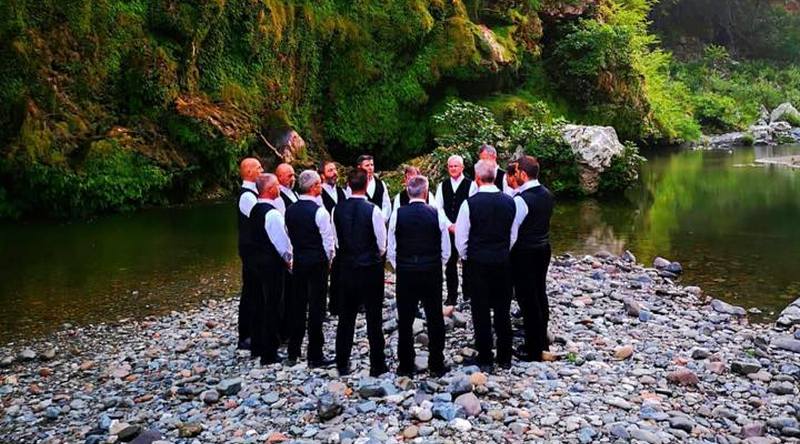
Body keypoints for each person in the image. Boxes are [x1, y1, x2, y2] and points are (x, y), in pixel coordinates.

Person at [455, 160, 521, 372]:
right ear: (495, 176)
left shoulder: (469, 204)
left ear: (477, 178)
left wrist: (467, 257)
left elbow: (461, 239)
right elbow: (513, 235)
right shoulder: (510, 202)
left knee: (480, 310)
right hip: (502, 261)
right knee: (502, 309)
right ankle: (504, 356)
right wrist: (502, 250)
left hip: (478, 262)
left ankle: (485, 357)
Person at [388, 175, 451, 377]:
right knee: (434, 317)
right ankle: (436, 363)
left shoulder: (398, 214)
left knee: (405, 319)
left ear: (408, 192)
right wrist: (437, 264)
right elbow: (446, 248)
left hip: (406, 271)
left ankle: (405, 365)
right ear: (425, 192)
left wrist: (400, 266)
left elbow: (391, 247)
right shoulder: (436, 213)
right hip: (431, 270)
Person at [332, 169, 388, 376]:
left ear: (348, 184)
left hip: (347, 266)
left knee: (346, 317)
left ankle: (342, 362)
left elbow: (337, 241)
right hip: (370, 268)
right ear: (366, 185)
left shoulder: (336, 209)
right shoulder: (373, 210)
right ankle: (377, 364)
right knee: (374, 317)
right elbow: (381, 244)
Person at [285, 170, 336, 367]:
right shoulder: (320, 212)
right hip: (317, 263)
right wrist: (329, 261)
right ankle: (315, 354)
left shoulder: (290, 210)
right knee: (316, 307)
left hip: (299, 260)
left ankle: (293, 350)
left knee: (298, 305)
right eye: (319, 184)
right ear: (314, 187)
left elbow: (289, 234)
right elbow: (328, 242)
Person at [510, 156, 555, 362]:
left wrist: (506, 253)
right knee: (540, 293)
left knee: (527, 299)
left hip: (525, 252)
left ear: (523, 173)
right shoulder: (547, 194)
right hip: (544, 248)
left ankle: (532, 348)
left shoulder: (521, 200)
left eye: (516, 171)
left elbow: (513, 232)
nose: (514, 174)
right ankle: (542, 341)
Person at [248, 173, 293, 365]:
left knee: (259, 303)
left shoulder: (255, 209)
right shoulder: (272, 214)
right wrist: (289, 260)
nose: (279, 188)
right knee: (273, 305)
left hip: (256, 263)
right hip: (271, 265)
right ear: (269, 189)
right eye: (276, 185)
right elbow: (282, 243)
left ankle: (257, 345)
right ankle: (270, 352)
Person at [434, 155, 478, 306]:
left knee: (467, 261)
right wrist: (449, 225)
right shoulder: (442, 186)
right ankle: (451, 295)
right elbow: (438, 208)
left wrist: (461, 225)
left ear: (462, 167)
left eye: (456, 166)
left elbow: (473, 206)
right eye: (450, 166)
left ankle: (468, 293)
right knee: (450, 262)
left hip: (466, 229)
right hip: (448, 230)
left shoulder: (471, 185)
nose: (453, 169)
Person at [236, 157, 263, 350]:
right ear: (249, 172)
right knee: (251, 290)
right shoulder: (247, 196)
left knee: (256, 289)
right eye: (259, 168)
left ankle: (256, 330)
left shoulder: (254, 193)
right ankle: (246, 335)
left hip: (254, 249)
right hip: (251, 250)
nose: (262, 170)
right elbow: (257, 220)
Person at [319, 160, 346, 316]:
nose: (335, 173)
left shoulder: (342, 192)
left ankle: (343, 302)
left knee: (343, 271)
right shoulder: (319, 193)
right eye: (330, 170)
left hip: (342, 238)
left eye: (335, 169)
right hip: (327, 237)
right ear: (322, 175)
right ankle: (329, 307)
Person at [274, 162, 297, 341]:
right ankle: (284, 329)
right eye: (289, 175)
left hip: (296, 243)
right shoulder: (278, 198)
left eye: (293, 174)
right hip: (287, 245)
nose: (292, 178)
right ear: (279, 177)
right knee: (286, 290)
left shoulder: (293, 193)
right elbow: (282, 225)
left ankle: (293, 322)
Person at [347, 154, 391, 223]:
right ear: (359, 167)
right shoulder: (353, 185)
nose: (370, 168)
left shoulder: (381, 184)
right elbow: (350, 205)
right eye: (367, 165)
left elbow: (386, 205)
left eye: (372, 165)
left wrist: (381, 219)